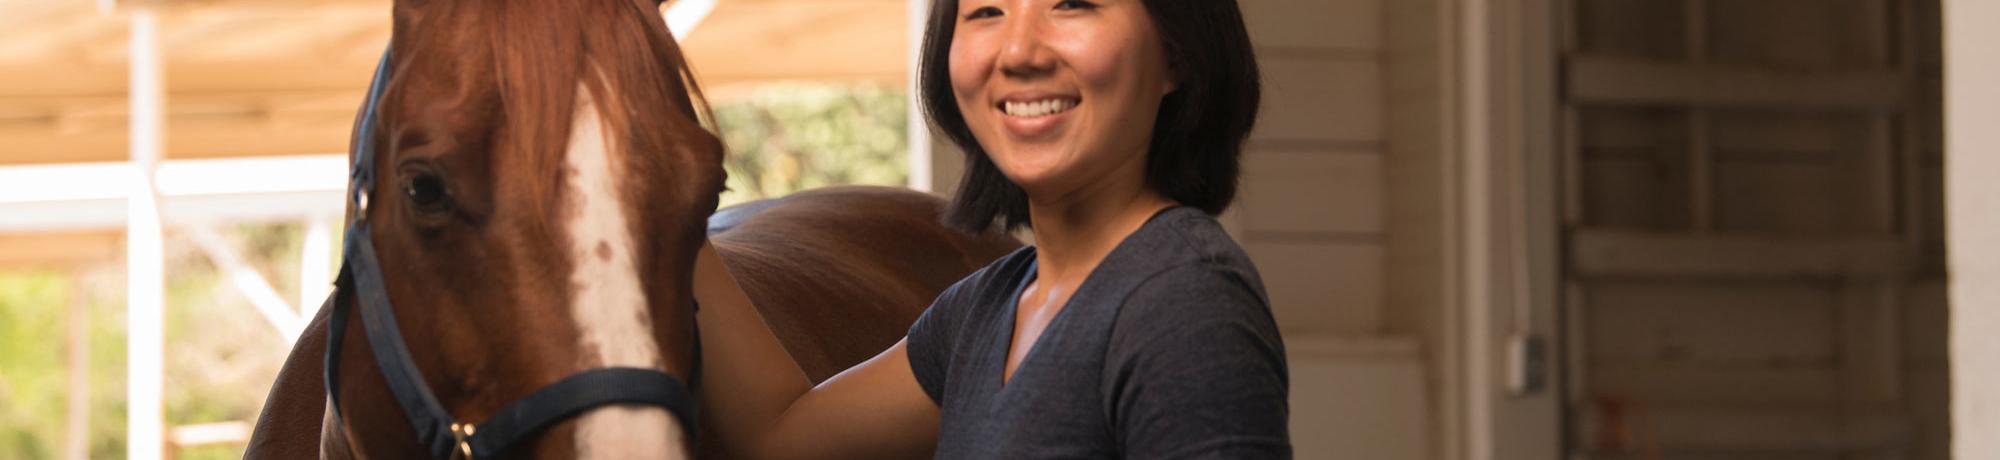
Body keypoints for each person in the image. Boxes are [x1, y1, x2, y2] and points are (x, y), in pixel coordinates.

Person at [690, 0, 1288, 457]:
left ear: (1177, 53)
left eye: (1073, 3)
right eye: (986, 11)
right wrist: (668, 200)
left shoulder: (1182, 302)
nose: (1020, 51)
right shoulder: (985, 310)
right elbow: (778, 436)